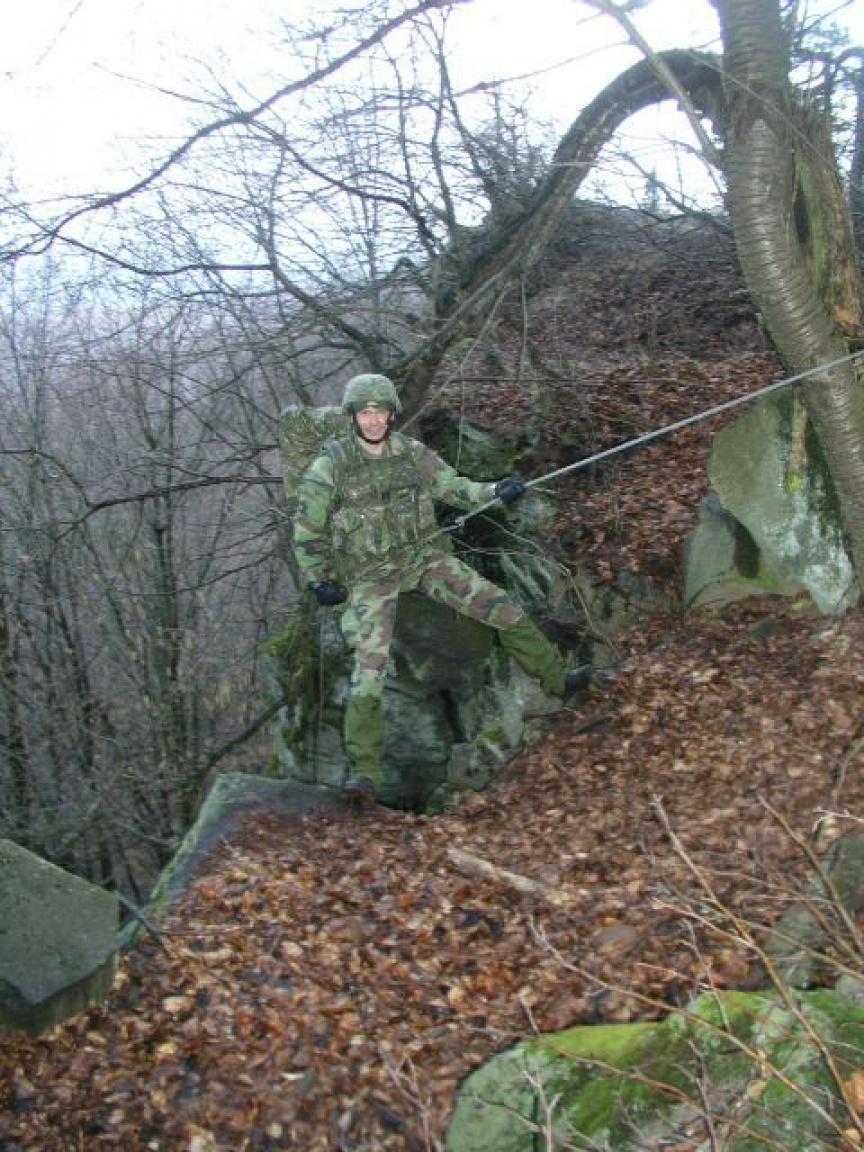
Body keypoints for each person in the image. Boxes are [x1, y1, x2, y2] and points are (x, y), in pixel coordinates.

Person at [293, 373, 595, 803]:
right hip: (369, 576)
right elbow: (307, 531)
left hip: (424, 558)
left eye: (380, 411)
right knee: (370, 669)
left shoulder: (411, 453)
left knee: (502, 607)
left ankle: (556, 680)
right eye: (365, 412)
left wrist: (496, 490)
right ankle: (364, 773)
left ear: (392, 414)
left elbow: (454, 488)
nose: (373, 419)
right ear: (353, 416)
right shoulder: (330, 468)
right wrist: (319, 580)